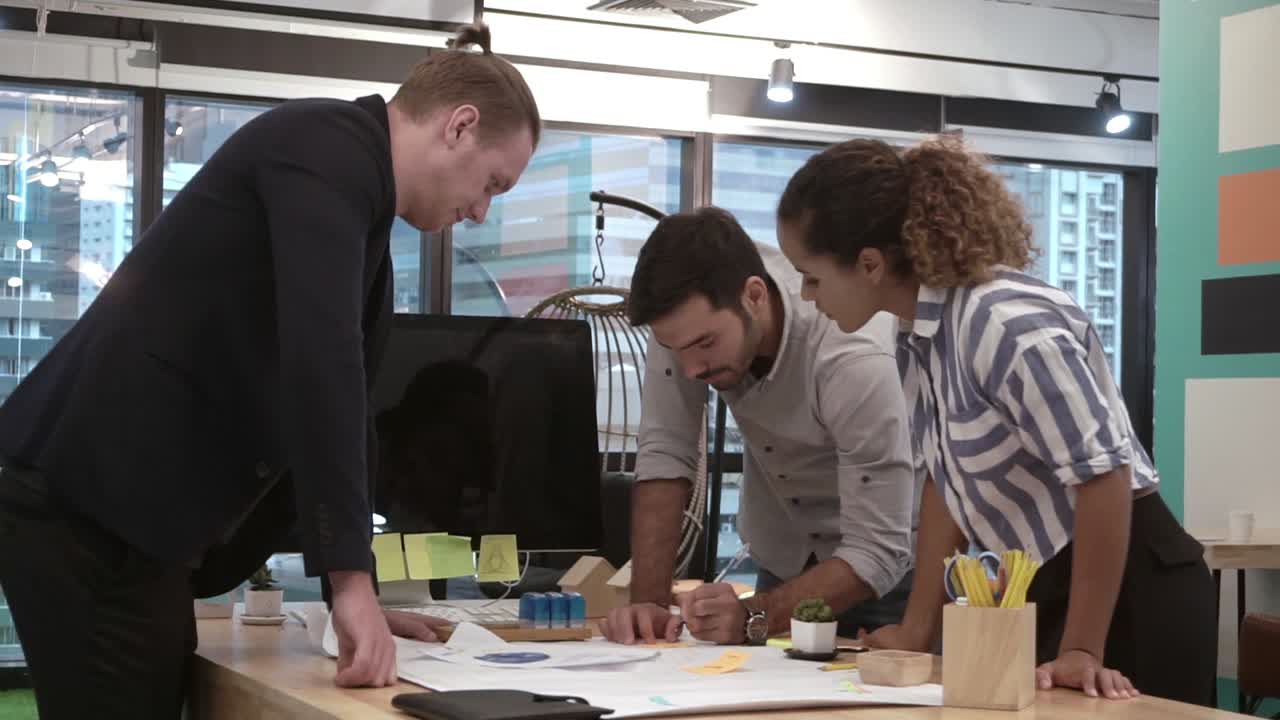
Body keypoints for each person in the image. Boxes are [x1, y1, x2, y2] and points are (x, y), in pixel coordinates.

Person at [0, 22, 540, 719]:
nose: (480, 210)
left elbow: (346, 403)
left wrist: (363, 591)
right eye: (492, 183)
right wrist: (347, 584)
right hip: (86, 509)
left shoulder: (362, 205)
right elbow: (323, 366)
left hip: (123, 521)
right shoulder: (327, 150)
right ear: (460, 127)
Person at [775, 136, 1215, 705]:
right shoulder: (918, 335)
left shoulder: (1002, 321)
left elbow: (1104, 473)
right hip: (1046, 588)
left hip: (1129, 589)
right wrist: (917, 630)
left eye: (811, 277)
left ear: (869, 264)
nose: (808, 298)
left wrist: (1083, 647)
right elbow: (944, 484)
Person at [600, 206, 919, 647]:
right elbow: (666, 448)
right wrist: (650, 606)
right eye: (676, 350)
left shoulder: (850, 354)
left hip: (893, 576)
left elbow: (879, 550)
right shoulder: (684, 322)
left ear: (754, 296)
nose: (690, 369)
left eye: (705, 344)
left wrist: (755, 615)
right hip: (786, 559)